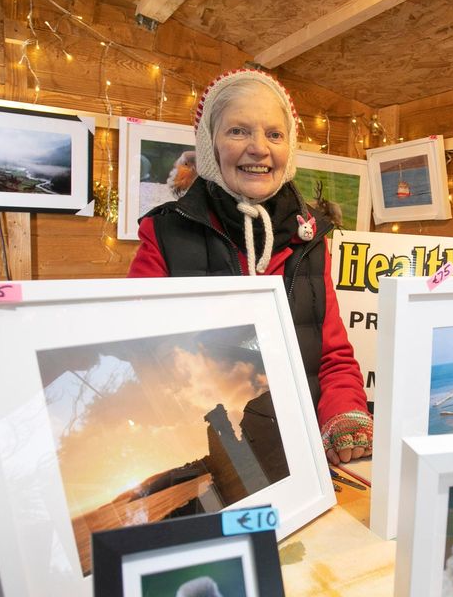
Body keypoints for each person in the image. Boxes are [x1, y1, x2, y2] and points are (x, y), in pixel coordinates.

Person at [128, 68, 372, 465]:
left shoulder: (310, 239)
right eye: (238, 131)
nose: (259, 148)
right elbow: (139, 356)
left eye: (274, 134)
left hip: (302, 458)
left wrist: (345, 414)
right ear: (210, 144)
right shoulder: (165, 234)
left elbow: (332, 357)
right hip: (207, 453)